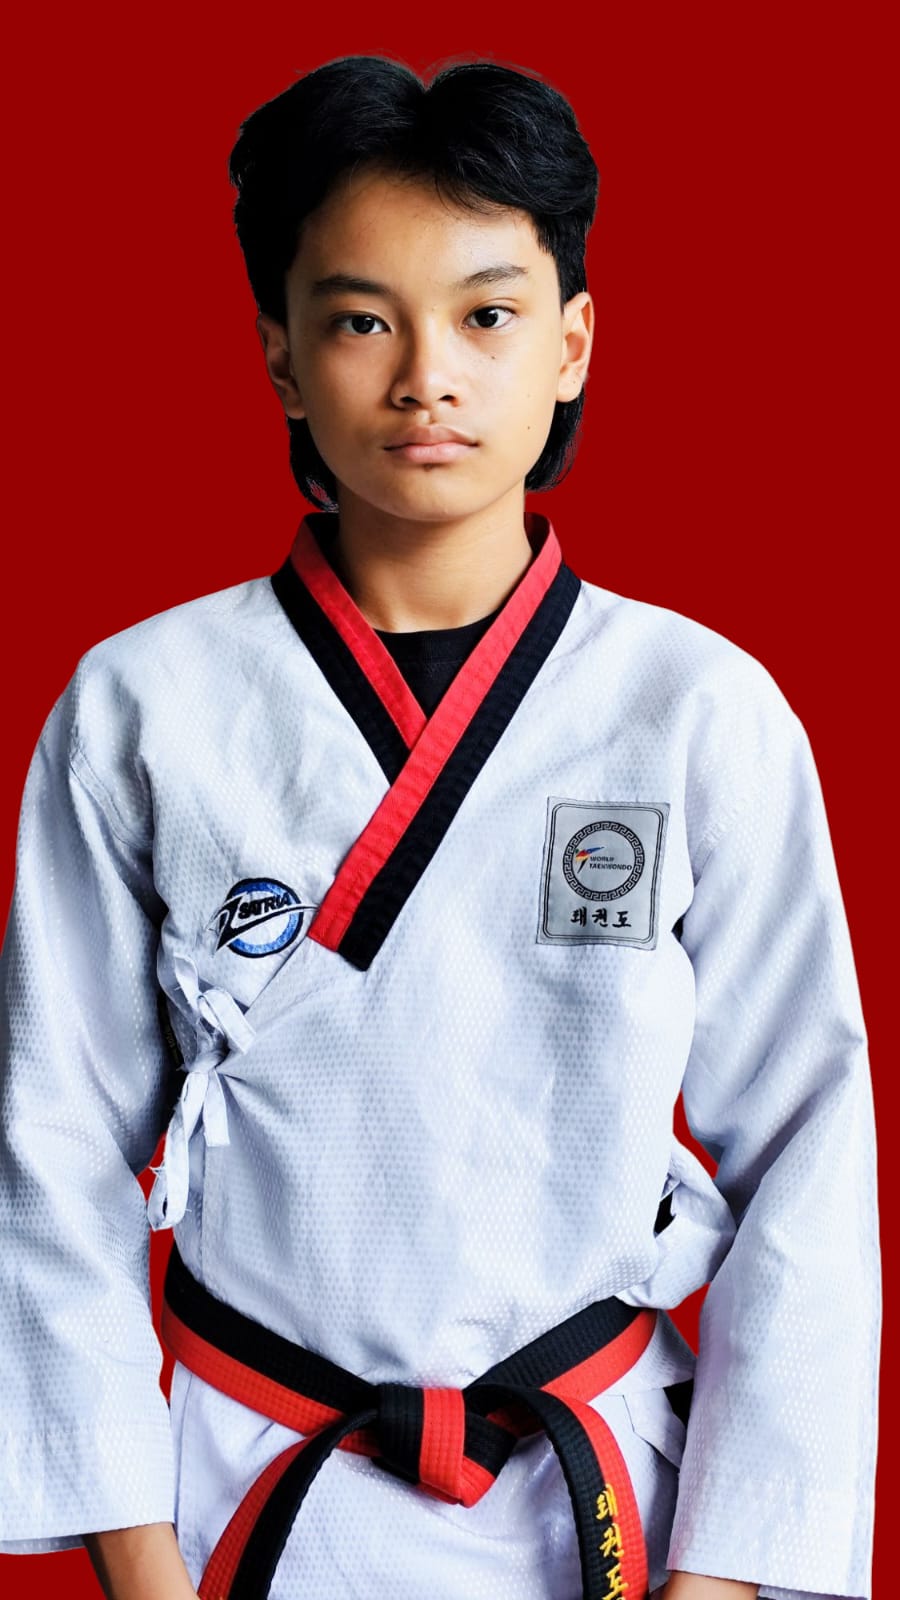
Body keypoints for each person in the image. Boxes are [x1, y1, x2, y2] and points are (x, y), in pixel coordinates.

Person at [0, 52, 879, 1600]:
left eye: (486, 316)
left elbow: (810, 1147)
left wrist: (725, 1577)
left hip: (603, 1504)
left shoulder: (697, 709)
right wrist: (138, 1564)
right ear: (281, 357)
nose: (426, 379)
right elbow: (49, 1143)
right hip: (243, 1493)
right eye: (361, 321)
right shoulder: (144, 706)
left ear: (572, 343)